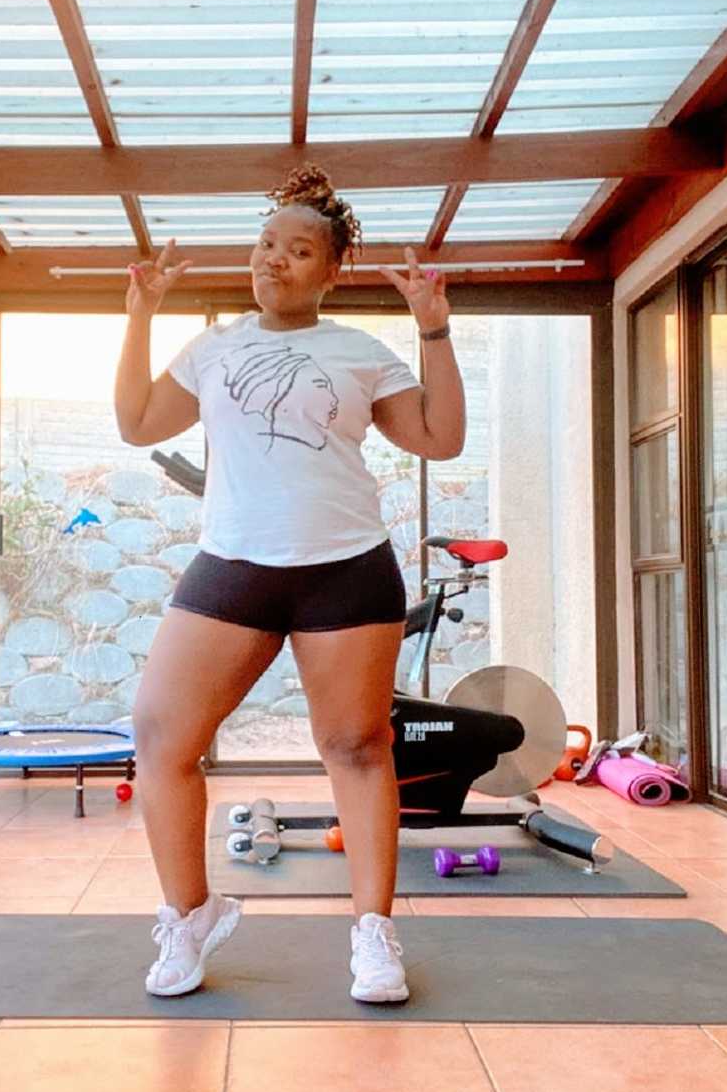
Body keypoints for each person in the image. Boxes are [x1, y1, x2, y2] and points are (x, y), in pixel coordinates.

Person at [114, 164, 466, 1003]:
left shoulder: (358, 352)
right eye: (266, 245)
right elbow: (136, 424)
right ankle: (188, 915)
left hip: (345, 570)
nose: (274, 261)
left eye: (299, 249)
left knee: (356, 746)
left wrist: (435, 331)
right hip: (233, 565)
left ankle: (374, 936)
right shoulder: (216, 347)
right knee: (161, 736)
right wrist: (140, 315)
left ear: (331, 268)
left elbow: (440, 438)